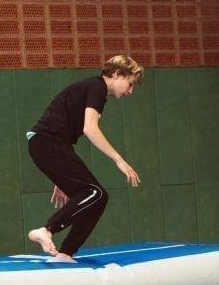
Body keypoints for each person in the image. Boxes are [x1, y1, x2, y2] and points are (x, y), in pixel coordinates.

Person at [26, 55, 143, 262]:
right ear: (117, 74)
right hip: (47, 142)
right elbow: (89, 129)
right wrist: (119, 160)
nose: (130, 91)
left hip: (50, 144)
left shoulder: (95, 91)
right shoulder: (97, 87)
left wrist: (62, 177)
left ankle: (65, 253)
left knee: (98, 198)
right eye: (130, 84)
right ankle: (47, 229)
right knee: (94, 192)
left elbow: (68, 128)